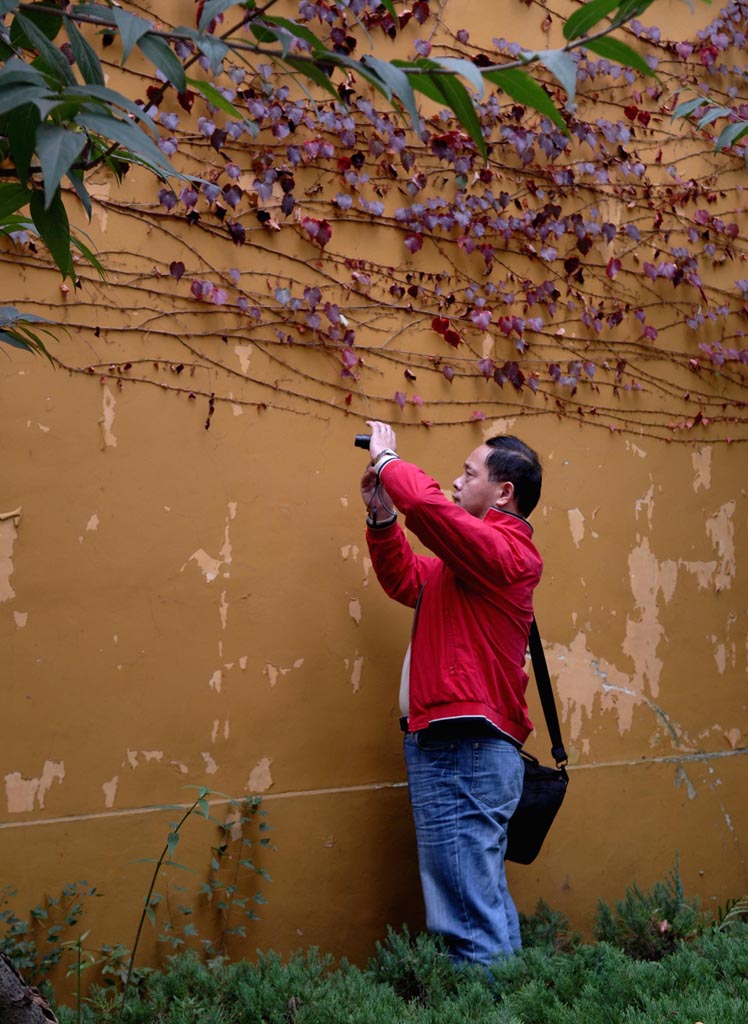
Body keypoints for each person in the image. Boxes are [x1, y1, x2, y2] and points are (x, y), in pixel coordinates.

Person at [360, 420, 543, 966]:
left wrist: (388, 462)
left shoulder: (508, 555)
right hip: (457, 747)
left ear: (504, 492)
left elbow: (432, 510)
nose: (456, 483)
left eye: (469, 474)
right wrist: (381, 513)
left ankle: (484, 1007)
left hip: (462, 749)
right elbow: (405, 579)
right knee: (480, 904)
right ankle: (510, 1003)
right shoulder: (467, 566)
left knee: (467, 921)